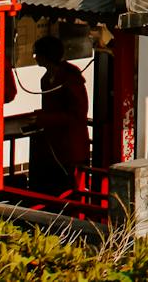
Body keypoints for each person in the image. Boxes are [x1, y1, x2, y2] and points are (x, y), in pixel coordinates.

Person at [30, 36, 90, 196]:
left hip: (71, 144)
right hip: (54, 144)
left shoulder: (71, 78)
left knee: (72, 191)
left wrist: (46, 119)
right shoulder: (46, 79)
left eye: (36, 54)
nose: (35, 58)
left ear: (45, 56)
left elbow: (77, 115)